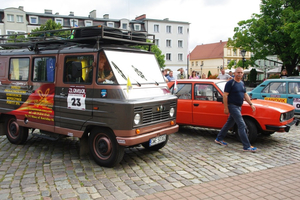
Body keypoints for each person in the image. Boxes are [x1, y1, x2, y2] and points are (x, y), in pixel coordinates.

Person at [214, 67, 257, 152]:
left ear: (243, 74)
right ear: (234, 73)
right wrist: (226, 107)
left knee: (229, 123)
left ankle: (219, 138)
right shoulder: (230, 83)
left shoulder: (241, 83)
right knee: (242, 125)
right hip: (232, 106)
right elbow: (225, 95)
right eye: (238, 72)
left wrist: (251, 104)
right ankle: (246, 146)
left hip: (238, 106)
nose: (239, 74)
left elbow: (245, 94)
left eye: (241, 72)